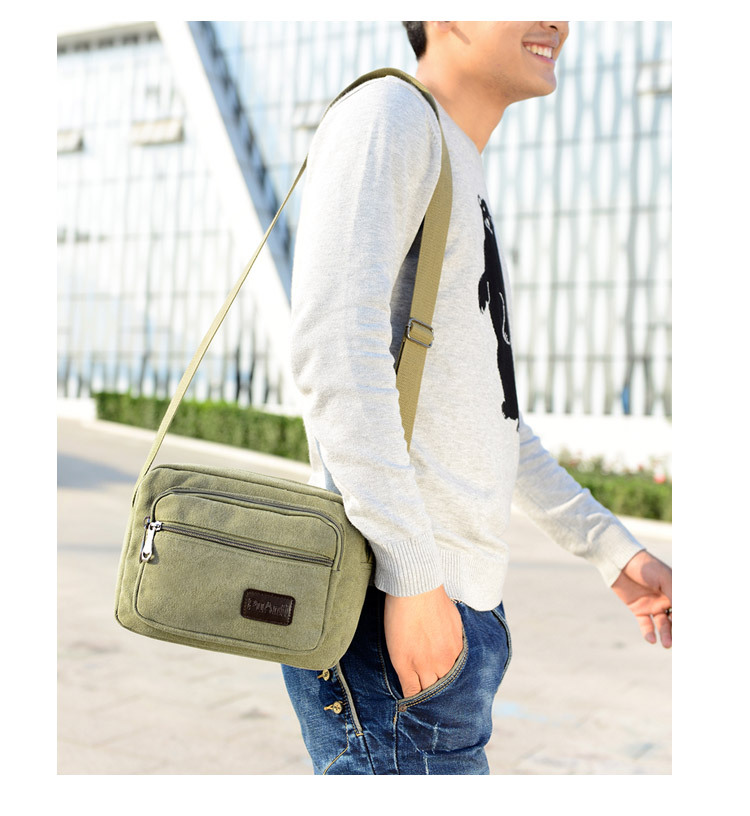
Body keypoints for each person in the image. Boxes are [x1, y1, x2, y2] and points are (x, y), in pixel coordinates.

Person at [281, 20, 672, 775]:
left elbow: (496, 420)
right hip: (392, 615)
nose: (558, 18)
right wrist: (413, 577)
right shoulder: (390, 116)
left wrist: (610, 551)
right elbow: (333, 348)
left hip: (445, 614)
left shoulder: (457, 161)